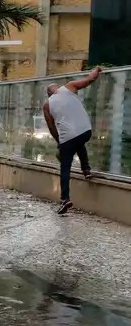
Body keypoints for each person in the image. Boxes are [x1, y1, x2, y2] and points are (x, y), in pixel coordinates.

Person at [44, 66, 102, 215]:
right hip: (85, 131)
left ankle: (65, 199)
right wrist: (97, 69)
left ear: (48, 94)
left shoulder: (47, 105)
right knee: (79, 142)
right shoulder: (69, 87)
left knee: (65, 168)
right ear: (57, 89)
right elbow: (90, 79)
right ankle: (86, 170)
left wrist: (59, 142)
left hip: (67, 138)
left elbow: (51, 127)